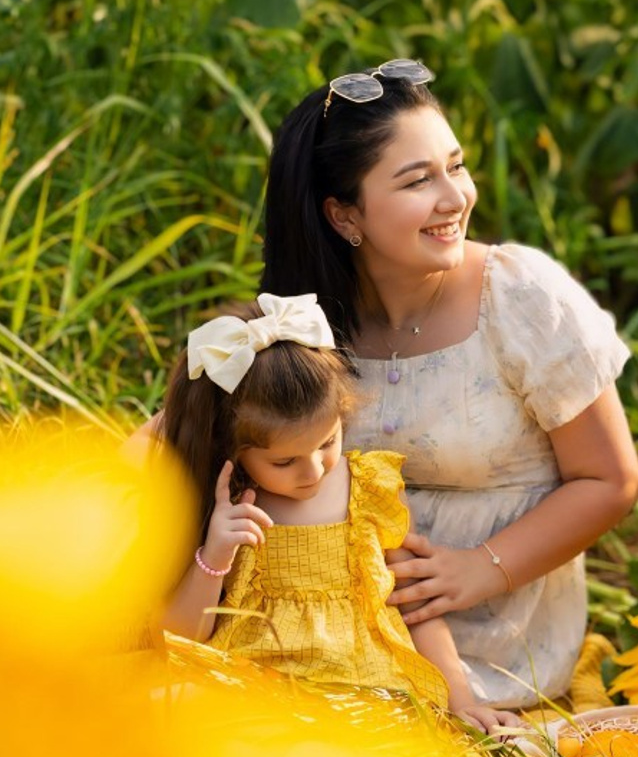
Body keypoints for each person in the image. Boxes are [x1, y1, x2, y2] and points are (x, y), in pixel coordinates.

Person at [259, 59, 638, 710]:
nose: (455, 197)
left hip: (501, 637)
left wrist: (478, 568)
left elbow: (611, 480)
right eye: (417, 181)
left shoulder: (519, 297)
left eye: (455, 167)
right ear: (344, 214)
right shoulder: (306, 324)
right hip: (339, 630)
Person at [155, 293, 517, 732]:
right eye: (284, 462)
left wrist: (461, 699)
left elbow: (416, 603)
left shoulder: (370, 488)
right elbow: (181, 638)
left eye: (327, 443)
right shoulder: (231, 508)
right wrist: (214, 557)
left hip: (363, 686)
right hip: (259, 686)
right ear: (234, 449)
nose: (313, 471)